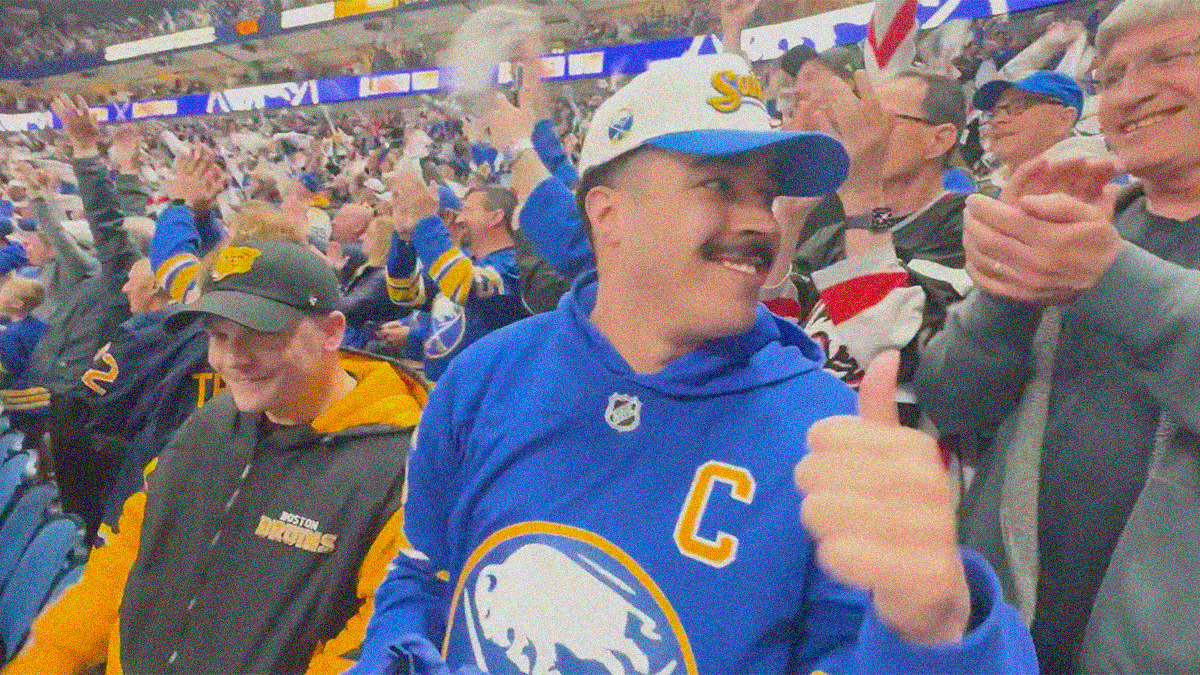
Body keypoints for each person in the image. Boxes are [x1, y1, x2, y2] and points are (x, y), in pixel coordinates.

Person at [350, 53, 1037, 675]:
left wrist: (941, 636)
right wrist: (394, 659)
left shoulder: (828, 429)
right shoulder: (485, 377)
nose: (761, 222)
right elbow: (419, 575)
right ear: (608, 214)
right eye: (717, 186)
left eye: (764, 195)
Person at [912, 1, 1200, 671]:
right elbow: (953, 403)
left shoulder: (1095, 256)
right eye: (1113, 72)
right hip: (1009, 641)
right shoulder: (1080, 228)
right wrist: (1008, 294)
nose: (1132, 91)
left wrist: (1110, 279)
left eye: (1170, 57)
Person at [6, 239, 428, 675]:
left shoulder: (401, 467)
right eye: (218, 335)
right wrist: (47, 659)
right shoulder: (210, 424)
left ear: (331, 331)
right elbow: (122, 561)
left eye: (260, 335)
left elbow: (374, 646)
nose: (230, 359)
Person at [790, 70, 972, 406]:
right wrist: (789, 217)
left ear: (939, 140)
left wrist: (861, 192)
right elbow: (774, 321)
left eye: (879, 119)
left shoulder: (971, 223)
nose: (863, 133)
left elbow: (890, 344)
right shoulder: (848, 227)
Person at [383, 178, 522, 381]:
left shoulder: (514, 267)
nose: (458, 219)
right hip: (440, 392)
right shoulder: (462, 262)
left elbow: (462, 284)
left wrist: (426, 221)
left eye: (467, 210)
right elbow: (403, 294)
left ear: (495, 217)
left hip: (484, 397)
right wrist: (404, 238)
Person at [972, 70, 1085, 195]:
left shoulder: (1091, 187)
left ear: (1063, 119)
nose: (997, 120)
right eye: (993, 113)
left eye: (1018, 106)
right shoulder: (988, 192)